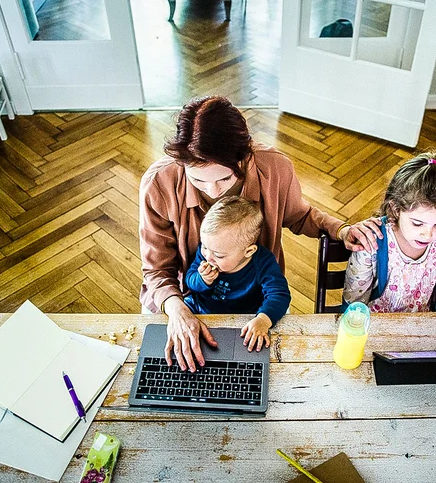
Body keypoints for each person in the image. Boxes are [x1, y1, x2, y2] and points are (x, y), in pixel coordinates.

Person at [138, 96, 380, 372]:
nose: (213, 192)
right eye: (198, 180)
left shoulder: (275, 168)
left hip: (257, 299)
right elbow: (157, 270)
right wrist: (177, 310)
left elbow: (299, 215)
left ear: (245, 156)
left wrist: (340, 228)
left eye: (225, 179)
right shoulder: (158, 184)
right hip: (185, 298)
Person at [343, 150, 436, 312]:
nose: (428, 234)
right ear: (396, 209)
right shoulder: (371, 242)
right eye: (417, 223)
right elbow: (353, 306)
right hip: (375, 327)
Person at [184, 196, 290, 352]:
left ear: (248, 251)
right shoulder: (207, 254)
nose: (208, 256)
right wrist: (202, 279)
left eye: (219, 255)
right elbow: (190, 280)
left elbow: (280, 294)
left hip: (246, 319)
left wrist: (263, 319)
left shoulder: (263, 262)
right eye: (204, 247)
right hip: (201, 312)